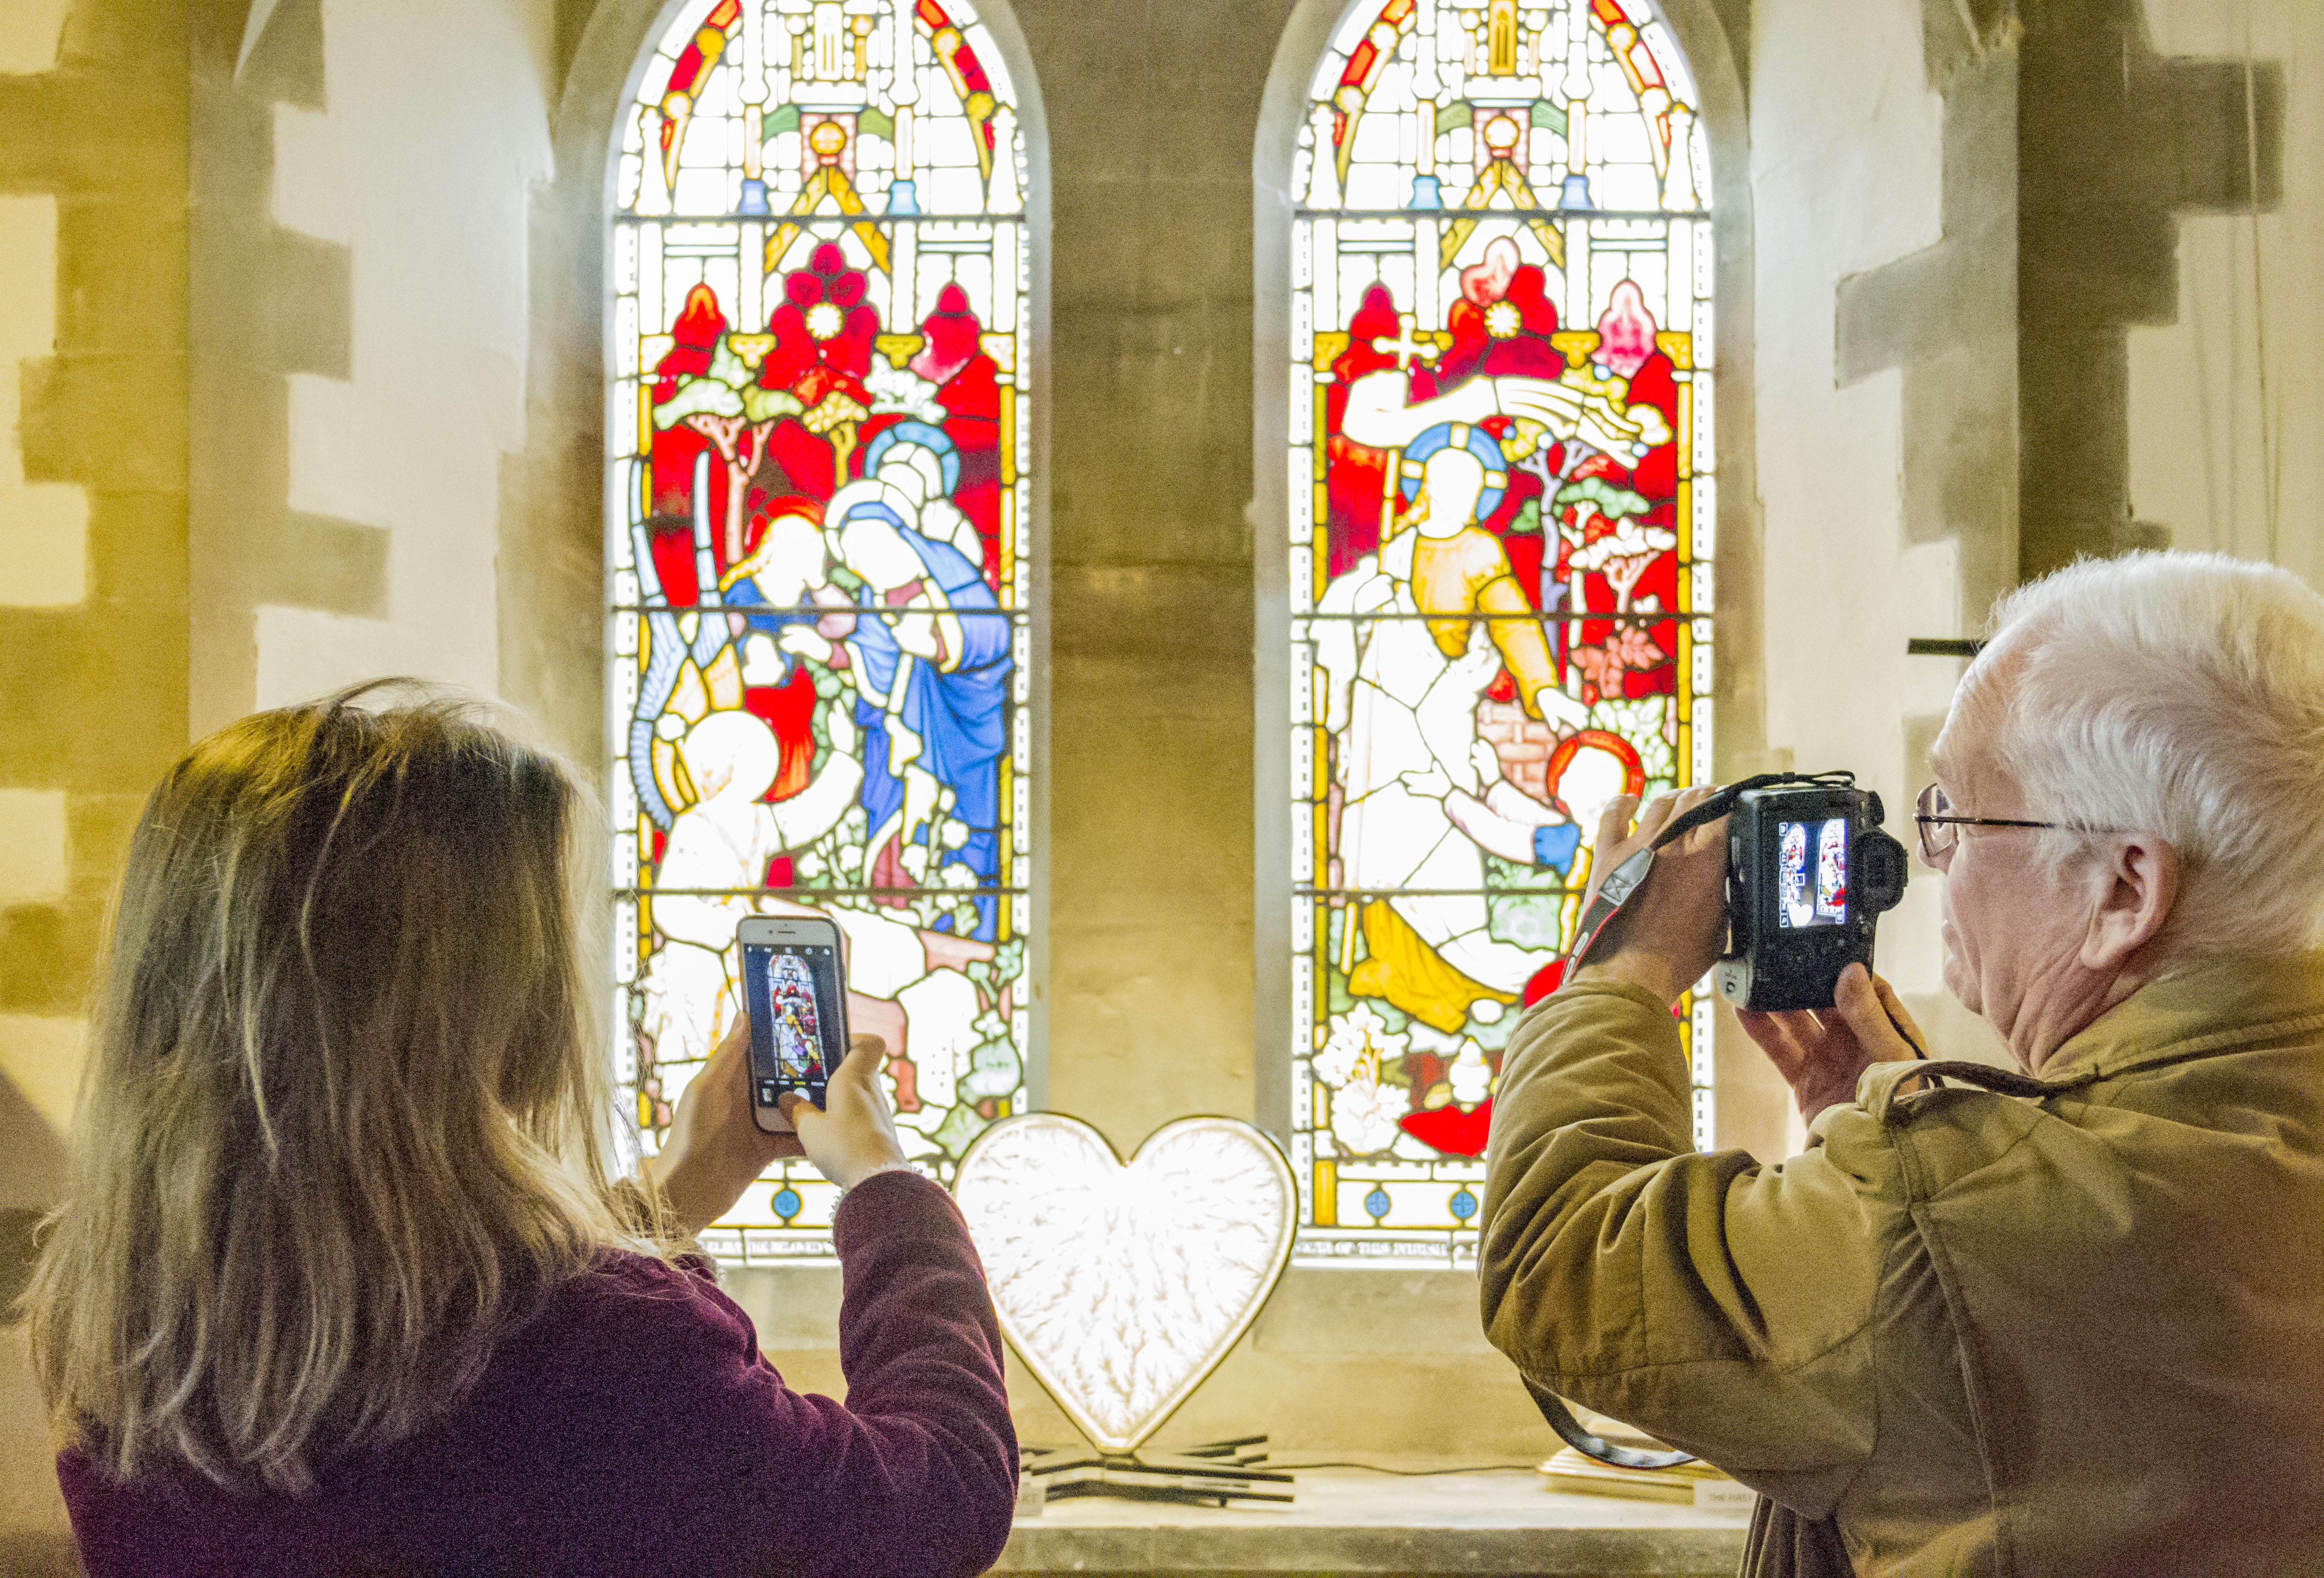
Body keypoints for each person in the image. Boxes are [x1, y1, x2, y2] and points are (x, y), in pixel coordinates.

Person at [26, 688, 1018, 1578]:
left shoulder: (133, 1347)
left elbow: (452, 1357)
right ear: (480, 1003)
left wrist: (661, 1204)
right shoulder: (612, 1352)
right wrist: (890, 1187)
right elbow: (931, 1503)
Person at [1478, 552, 2324, 1575]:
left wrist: (1624, 967)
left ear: (2124, 889)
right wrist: (1895, 1122)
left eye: (1958, 818)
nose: (1929, 869)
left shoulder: (1953, 1214)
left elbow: (1560, 1258)